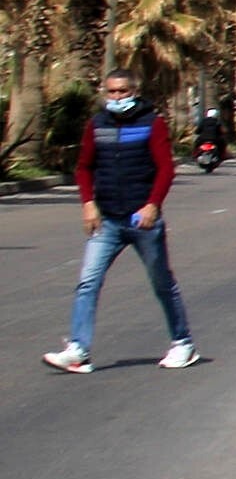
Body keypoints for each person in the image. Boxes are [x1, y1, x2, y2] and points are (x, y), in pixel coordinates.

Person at [46, 71, 197, 373]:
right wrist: (88, 204)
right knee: (88, 282)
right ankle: (78, 350)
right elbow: (84, 167)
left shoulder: (152, 123)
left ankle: (183, 343)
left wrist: (153, 205)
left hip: (143, 220)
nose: (117, 98)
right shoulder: (96, 125)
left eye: (123, 92)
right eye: (112, 92)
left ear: (135, 92)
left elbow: (166, 168)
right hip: (108, 222)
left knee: (162, 283)